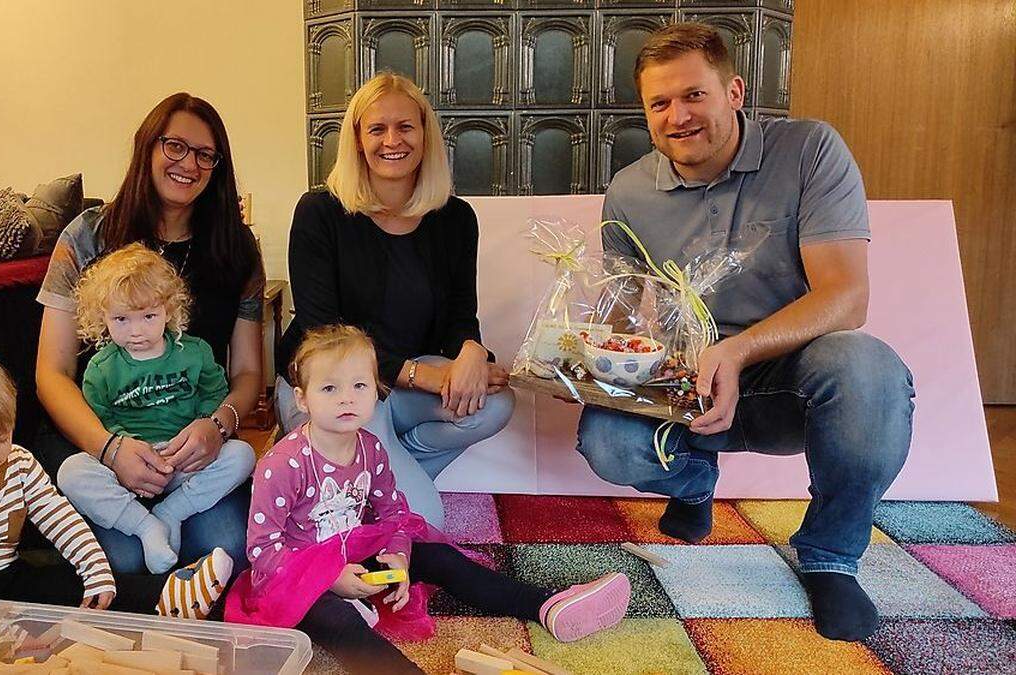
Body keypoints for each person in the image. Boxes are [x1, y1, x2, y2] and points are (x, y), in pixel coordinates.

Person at [578, 23, 914, 641]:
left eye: (693, 95)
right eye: (659, 103)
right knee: (607, 441)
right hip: (687, 380)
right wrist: (586, 357)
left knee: (869, 373)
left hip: (798, 371)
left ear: (733, 91)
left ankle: (831, 556)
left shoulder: (810, 149)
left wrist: (736, 350)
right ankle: (693, 481)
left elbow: (848, 297)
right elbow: (625, 311)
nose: (677, 115)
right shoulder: (628, 191)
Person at [226, 326, 629, 674]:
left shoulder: (370, 447)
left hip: (352, 554)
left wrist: (398, 557)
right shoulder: (283, 464)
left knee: (442, 556)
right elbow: (263, 551)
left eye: (360, 386)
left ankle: (546, 604)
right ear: (302, 399)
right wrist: (328, 577)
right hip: (295, 577)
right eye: (330, 388)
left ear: (376, 391)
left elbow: (393, 515)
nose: (347, 399)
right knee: (341, 621)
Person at [35, 92, 264, 574]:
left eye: (206, 154)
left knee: (227, 547)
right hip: (106, 437)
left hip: (193, 448)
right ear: (148, 147)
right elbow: (51, 374)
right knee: (122, 559)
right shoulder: (86, 236)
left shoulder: (236, 248)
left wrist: (218, 425)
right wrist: (109, 448)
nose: (189, 164)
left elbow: (247, 373)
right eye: (175, 146)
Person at [277, 73, 514, 528]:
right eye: (377, 129)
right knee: (426, 523)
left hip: (401, 390)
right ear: (357, 140)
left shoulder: (456, 218)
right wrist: (421, 375)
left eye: (405, 127)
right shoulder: (319, 212)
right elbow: (320, 333)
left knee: (497, 404)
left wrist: (471, 352)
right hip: (333, 385)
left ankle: (364, 487)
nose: (392, 141)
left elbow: (461, 311)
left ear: (425, 135)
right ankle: (382, 488)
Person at [0, 351, 233, 619]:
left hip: (2, 575)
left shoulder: (16, 461)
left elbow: (58, 517)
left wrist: (95, 571)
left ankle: (165, 596)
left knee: (74, 584)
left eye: (1, 439)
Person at [56, 243, 255, 574]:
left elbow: (215, 394)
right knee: (72, 472)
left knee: (242, 455)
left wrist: (206, 426)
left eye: (148, 316)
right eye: (121, 319)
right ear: (101, 317)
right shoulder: (101, 368)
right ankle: (145, 526)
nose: (136, 331)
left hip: (185, 461)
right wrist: (124, 449)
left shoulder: (196, 353)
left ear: (169, 310)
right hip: (128, 467)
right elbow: (101, 421)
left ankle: (170, 514)